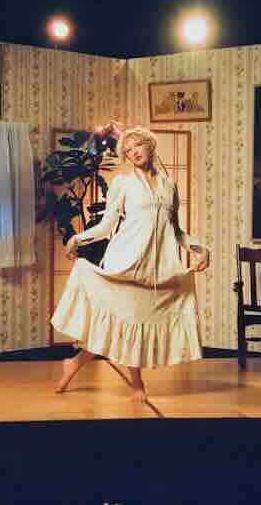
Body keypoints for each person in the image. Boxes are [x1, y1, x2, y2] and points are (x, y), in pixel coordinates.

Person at [50, 126, 210, 402]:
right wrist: (78, 238)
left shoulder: (168, 185)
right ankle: (137, 386)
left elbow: (175, 229)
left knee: (131, 323)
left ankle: (75, 363)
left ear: (151, 145)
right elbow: (107, 225)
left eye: (138, 146)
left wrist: (199, 249)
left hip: (156, 267)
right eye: (128, 150)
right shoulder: (122, 184)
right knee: (127, 321)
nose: (133, 152)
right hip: (125, 260)